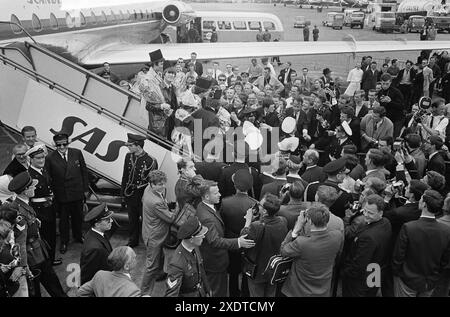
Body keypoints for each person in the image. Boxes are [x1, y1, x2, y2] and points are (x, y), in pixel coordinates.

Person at [8, 172, 67, 297]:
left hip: (38, 251)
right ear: (25, 191)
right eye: (31, 187)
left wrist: (35, 222)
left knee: (53, 285)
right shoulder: (19, 212)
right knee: (38, 290)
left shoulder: (23, 203)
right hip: (32, 258)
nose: (34, 188)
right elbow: (20, 243)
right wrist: (24, 266)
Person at [196, 180, 255, 297]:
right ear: (207, 196)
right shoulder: (207, 218)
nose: (220, 194)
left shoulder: (203, 206)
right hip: (215, 262)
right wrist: (238, 241)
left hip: (212, 259)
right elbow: (215, 240)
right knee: (218, 291)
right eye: (216, 193)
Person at [393, 190, 450, 297]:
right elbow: (445, 260)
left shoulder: (409, 227)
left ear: (424, 204)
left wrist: (398, 273)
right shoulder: (446, 231)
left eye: (421, 199)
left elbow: (398, 256)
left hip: (407, 280)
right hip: (430, 282)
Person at [281, 204, 342, 297]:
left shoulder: (302, 243)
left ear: (309, 221)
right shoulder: (337, 236)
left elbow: (283, 250)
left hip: (300, 291)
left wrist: (296, 230)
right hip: (323, 290)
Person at [46, 132, 88, 255]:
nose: (62, 147)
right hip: (62, 195)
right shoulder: (50, 158)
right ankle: (64, 241)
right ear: (55, 145)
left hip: (77, 193)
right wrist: (53, 195)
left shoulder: (77, 153)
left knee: (78, 217)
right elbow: (49, 178)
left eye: (64, 144)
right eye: (59, 145)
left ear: (68, 143)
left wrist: (85, 189)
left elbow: (84, 171)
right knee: (63, 221)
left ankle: (78, 236)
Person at [342, 194, 392, 297]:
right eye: (365, 210)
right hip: (376, 272)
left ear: (381, 213)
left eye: (370, 213)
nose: (365, 214)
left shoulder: (367, 237)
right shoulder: (386, 222)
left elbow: (359, 265)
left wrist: (346, 272)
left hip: (361, 280)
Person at [241, 193, 288, 297]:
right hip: (274, 270)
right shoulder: (283, 221)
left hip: (258, 271)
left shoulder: (256, 226)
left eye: (260, 205)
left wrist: (248, 221)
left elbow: (244, 238)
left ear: (265, 211)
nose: (257, 206)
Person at [220, 169, 257, 297]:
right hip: (248, 244)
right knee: (247, 273)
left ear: (234, 185)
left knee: (233, 273)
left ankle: (233, 294)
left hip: (231, 243)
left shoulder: (225, 202)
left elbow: (222, 223)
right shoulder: (255, 204)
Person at [141, 170, 176, 295]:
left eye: (163, 183)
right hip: (154, 237)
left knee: (159, 257)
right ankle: (145, 292)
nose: (163, 186)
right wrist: (177, 209)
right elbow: (171, 218)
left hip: (151, 231)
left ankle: (160, 274)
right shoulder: (155, 202)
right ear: (152, 183)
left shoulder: (148, 189)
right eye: (160, 184)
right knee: (151, 266)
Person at [26, 146, 61, 266]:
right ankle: (46, 262)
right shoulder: (29, 176)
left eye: (43, 158)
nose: (41, 160)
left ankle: (51, 259)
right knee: (44, 239)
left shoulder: (43, 170)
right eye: (38, 158)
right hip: (40, 212)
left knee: (51, 237)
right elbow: (28, 198)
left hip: (50, 209)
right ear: (31, 159)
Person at [121, 133, 158, 248]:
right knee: (132, 220)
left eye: (130, 145)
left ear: (138, 145)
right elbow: (125, 176)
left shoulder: (150, 161)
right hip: (130, 194)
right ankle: (133, 240)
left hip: (143, 195)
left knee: (147, 221)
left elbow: (153, 183)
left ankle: (150, 242)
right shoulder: (128, 156)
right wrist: (123, 194)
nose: (128, 147)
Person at [165, 216, 211, 297]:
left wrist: (208, 290)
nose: (203, 236)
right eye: (200, 235)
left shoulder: (194, 246)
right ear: (191, 239)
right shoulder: (177, 264)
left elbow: (200, 268)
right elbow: (171, 294)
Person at [80, 203, 114, 286]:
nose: (111, 221)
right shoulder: (94, 248)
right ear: (97, 224)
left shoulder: (96, 233)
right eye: (107, 220)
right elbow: (87, 276)